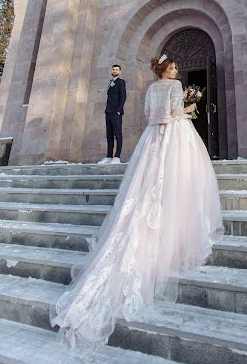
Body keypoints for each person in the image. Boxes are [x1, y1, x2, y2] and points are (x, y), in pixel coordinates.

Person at [50, 54, 223, 347]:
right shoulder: (175, 86)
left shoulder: (151, 88)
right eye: (173, 67)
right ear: (165, 69)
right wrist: (191, 107)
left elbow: (148, 114)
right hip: (176, 135)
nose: (177, 70)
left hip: (153, 138)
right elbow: (175, 112)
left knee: (148, 181)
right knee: (179, 179)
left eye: (177, 67)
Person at [99, 64, 127, 165]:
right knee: (109, 134)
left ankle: (117, 156)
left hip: (116, 112)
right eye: (113, 69)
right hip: (108, 112)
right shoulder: (110, 82)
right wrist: (107, 110)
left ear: (120, 72)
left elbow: (123, 97)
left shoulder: (121, 82)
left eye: (116, 70)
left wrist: (119, 110)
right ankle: (109, 156)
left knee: (117, 134)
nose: (114, 71)